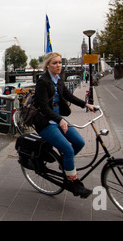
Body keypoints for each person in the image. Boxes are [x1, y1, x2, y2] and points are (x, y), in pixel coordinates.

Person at [33, 52, 95, 198]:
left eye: (60, 62)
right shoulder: (43, 81)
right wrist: (60, 120)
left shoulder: (59, 79)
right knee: (68, 149)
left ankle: (66, 166)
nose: (58, 65)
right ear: (48, 65)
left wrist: (86, 104)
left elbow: (68, 96)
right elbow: (43, 107)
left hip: (57, 118)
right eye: (55, 63)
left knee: (79, 142)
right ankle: (72, 182)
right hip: (44, 121)